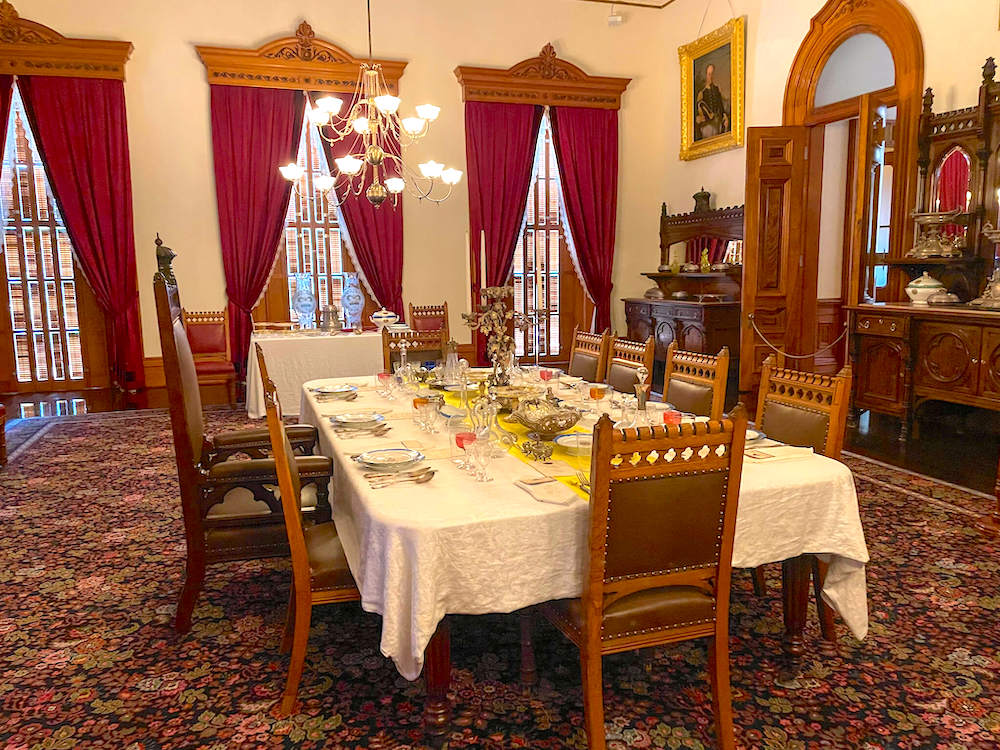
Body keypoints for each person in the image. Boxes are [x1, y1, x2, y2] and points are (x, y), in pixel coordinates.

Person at [695, 63, 730, 140]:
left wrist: (724, 116)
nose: (710, 77)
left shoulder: (717, 89)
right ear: (705, 75)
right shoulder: (701, 92)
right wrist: (699, 118)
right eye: (709, 74)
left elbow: (720, 105)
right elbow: (698, 108)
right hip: (706, 122)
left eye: (712, 74)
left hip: (717, 120)